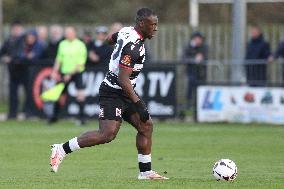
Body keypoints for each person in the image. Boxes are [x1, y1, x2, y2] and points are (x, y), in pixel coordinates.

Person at [50, 8, 168, 180]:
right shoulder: (133, 47)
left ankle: (145, 172)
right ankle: (61, 149)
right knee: (107, 134)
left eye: (156, 24)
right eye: (153, 25)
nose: (155, 28)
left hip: (125, 91)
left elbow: (108, 39)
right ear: (142, 24)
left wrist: (115, 51)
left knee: (146, 126)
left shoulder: (126, 31)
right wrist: (139, 103)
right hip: (113, 92)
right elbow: (122, 78)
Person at [49, 26, 87, 125]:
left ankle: (82, 118)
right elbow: (59, 59)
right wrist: (54, 71)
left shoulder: (80, 45)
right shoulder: (62, 44)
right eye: (66, 32)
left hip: (77, 73)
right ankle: (54, 117)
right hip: (64, 73)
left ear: (74, 33)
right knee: (59, 94)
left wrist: (70, 74)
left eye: (69, 32)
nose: (67, 34)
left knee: (80, 94)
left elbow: (81, 63)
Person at [0, 21, 25, 119]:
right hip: (12, 71)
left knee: (28, 92)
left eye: (18, 29)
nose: (16, 31)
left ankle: (26, 112)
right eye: (15, 29)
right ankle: (12, 114)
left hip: (24, 70)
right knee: (13, 93)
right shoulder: (8, 41)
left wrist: (11, 58)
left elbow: (21, 54)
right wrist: (4, 58)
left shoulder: (24, 40)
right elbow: (2, 53)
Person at [182, 31, 208, 108]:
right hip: (191, 73)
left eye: (199, 39)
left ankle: (200, 107)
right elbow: (184, 58)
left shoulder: (204, 47)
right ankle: (188, 106)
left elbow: (205, 57)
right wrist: (194, 59)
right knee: (190, 90)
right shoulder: (189, 47)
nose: (198, 41)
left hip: (201, 73)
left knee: (201, 90)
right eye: (196, 39)